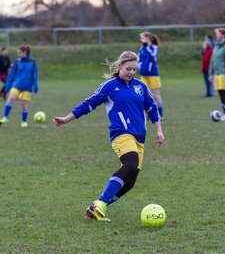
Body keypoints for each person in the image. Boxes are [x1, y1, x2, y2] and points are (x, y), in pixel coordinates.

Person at [53, 51, 165, 222]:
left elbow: (152, 108)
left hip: (140, 138)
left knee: (130, 182)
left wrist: (159, 130)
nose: (131, 73)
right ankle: (101, 203)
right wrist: (66, 119)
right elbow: (88, 104)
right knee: (130, 163)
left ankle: (95, 208)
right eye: (128, 69)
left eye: (134, 70)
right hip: (121, 134)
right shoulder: (109, 86)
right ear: (119, 66)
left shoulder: (141, 86)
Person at [0, 44, 38, 127]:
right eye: (17, 53)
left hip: (27, 87)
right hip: (16, 84)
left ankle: (24, 122)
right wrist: (7, 85)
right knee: (11, 98)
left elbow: (35, 73)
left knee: (24, 105)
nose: (18, 54)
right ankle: (5, 117)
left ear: (25, 52)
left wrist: (35, 85)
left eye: (19, 52)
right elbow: (11, 75)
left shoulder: (32, 62)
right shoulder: (17, 61)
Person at [138, 31, 164, 119]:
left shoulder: (154, 47)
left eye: (142, 38)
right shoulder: (142, 48)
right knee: (142, 94)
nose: (141, 40)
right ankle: (149, 113)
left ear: (147, 38)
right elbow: (139, 59)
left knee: (155, 94)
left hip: (153, 74)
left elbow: (153, 56)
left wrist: (148, 46)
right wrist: (140, 67)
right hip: (143, 74)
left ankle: (160, 114)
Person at [209, 28, 225, 121]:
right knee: (220, 93)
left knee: (223, 93)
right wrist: (211, 73)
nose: (216, 36)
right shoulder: (217, 46)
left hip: (223, 73)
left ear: (223, 35)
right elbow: (212, 60)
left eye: (218, 34)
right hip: (217, 74)